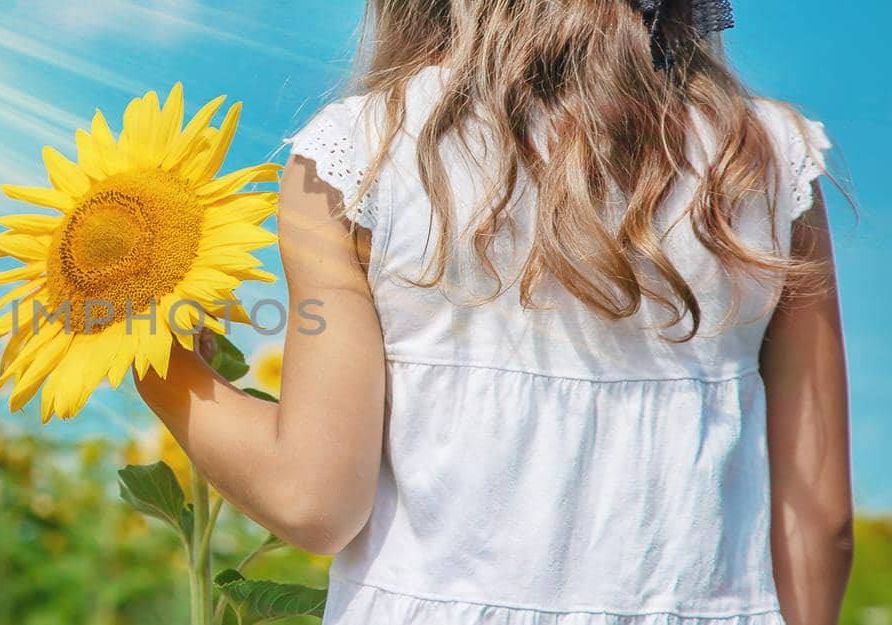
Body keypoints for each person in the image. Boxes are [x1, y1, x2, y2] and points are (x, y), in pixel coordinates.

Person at [133, 1, 854, 623]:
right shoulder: (762, 162)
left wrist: (152, 359)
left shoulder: (359, 155)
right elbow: (821, 527)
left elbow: (314, 498)